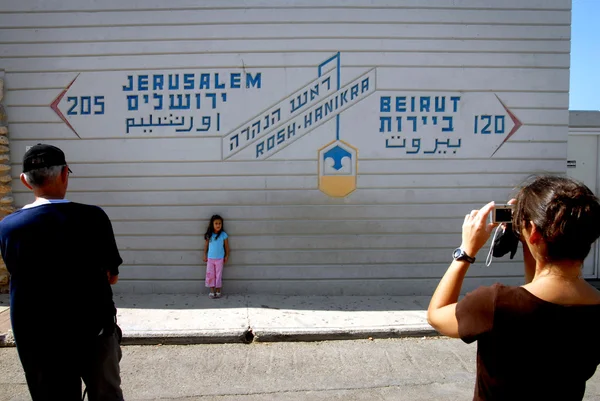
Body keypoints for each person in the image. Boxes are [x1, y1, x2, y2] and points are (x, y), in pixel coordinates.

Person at [427, 175, 600, 401]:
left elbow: (436, 315)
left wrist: (465, 251)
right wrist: (529, 237)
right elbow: (538, 290)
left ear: (534, 233)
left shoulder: (496, 303)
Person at [0, 144, 124, 401]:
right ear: (65, 174)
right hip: (95, 333)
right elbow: (112, 275)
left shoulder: (8, 227)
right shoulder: (93, 218)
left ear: (24, 181)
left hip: (38, 340)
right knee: (106, 395)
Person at [203, 214, 229, 298]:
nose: (218, 225)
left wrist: (227, 255)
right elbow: (206, 246)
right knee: (210, 274)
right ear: (212, 224)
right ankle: (211, 290)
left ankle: (218, 290)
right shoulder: (209, 235)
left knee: (218, 275)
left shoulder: (223, 235)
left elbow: (226, 247)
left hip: (220, 259)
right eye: (216, 223)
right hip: (210, 259)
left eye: (220, 223)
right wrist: (204, 255)